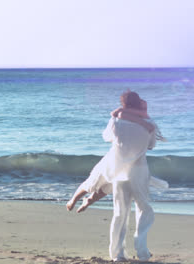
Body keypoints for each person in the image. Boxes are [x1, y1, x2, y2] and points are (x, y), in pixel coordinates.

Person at [67, 91, 165, 262]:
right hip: (138, 172)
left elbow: (107, 137)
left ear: (123, 104)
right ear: (139, 104)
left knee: (120, 213)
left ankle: (117, 255)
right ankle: (142, 252)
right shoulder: (149, 123)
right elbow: (151, 146)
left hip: (119, 171)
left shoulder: (116, 120)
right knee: (144, 209)